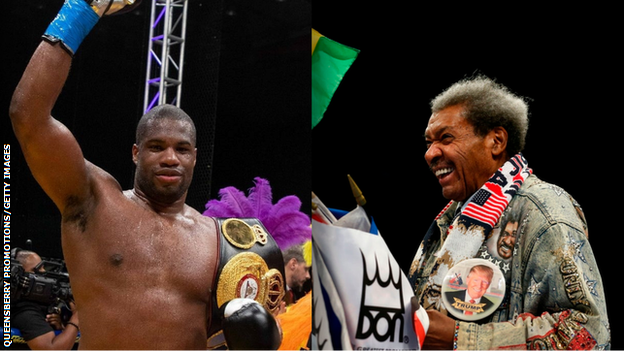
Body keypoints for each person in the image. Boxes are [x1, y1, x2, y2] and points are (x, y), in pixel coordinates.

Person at [9, 1, 280, 350]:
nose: (170, 158)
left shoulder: (218, 241)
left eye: (182, 149)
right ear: (136, 153)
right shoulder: (93, 202)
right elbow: (28, 117)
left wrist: (260, 340)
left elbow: (214, 339)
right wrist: (79, 11)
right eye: (156, 147)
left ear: (195, 158)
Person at [408, 75, 610, 349]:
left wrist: (460, 340)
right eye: (428, 142)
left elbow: (588, 333)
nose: (430, 154)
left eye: (446, 138)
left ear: (496, 141)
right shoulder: (451, 219)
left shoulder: (544, 209)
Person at [12, 250, 80, 351]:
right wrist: (77, 317)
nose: (44, 272)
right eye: (39, 268)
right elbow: (51, 349)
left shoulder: (36, 303)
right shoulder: (25, 311)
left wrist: (58, 327)